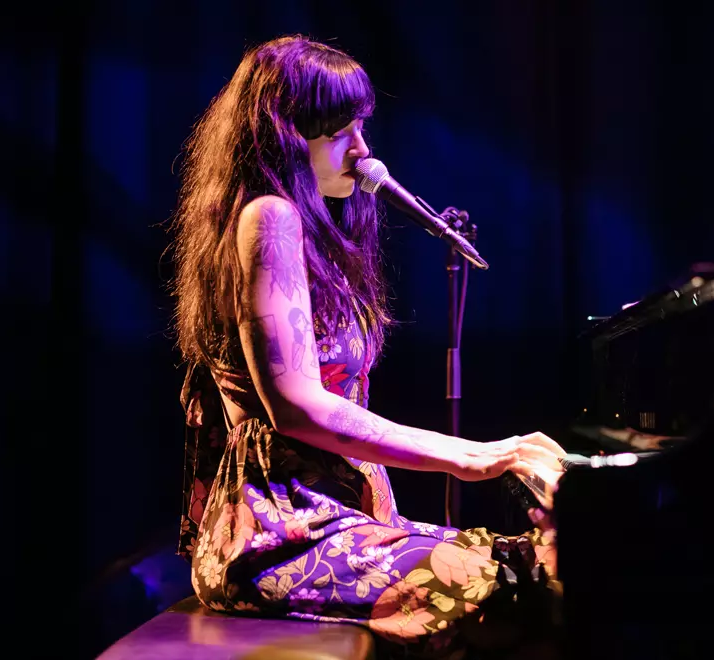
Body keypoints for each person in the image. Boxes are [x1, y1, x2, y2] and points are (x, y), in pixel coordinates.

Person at [169, 34, 565, 658]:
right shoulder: (268, 215)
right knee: (516, 584)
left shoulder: (302, 225)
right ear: (285, 136)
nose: (362, 151)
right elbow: (296, 405)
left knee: (543, 563)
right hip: (284, 534)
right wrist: (472, 455)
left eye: (361, 129)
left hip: (329, 521)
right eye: (339, 132)